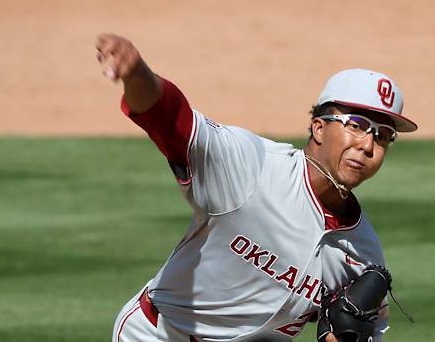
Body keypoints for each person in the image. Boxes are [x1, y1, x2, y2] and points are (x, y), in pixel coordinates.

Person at [98, 33, 418, 342]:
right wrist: (137, 73)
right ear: (319, 128)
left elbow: (363, 332)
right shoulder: (253, 166)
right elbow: (168, 118)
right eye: (357, 125)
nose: (368, 145)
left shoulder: (362, 254)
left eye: (383, 135)